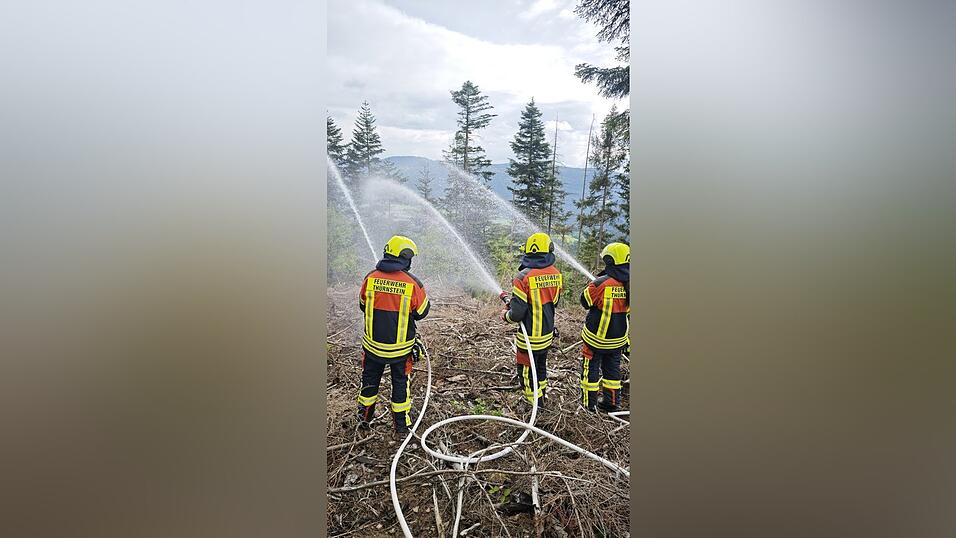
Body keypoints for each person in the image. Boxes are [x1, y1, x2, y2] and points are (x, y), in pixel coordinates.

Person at [356, 235, 429, 433]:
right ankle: (401, 426)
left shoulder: (370, 278)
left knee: (369, 382)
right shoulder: (413, 283)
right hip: (400, 351)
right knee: (400, 386)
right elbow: (422, 312)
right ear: (406, 257)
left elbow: (363, 305)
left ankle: (363, 420)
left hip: (372, 348)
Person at [501, 232, 563, 408]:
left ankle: (533, 406)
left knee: (527, 372)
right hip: (547, 333)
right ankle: (541, 398)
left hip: (529, 338)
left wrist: (506, 315)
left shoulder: (522, 278)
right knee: (541, 367)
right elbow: (554, 302)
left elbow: (517, 314)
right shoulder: (556, 274)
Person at [578, 242, 630, 412]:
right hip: (618, 341)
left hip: (596, 340)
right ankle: (612, 404)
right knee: (612, 372)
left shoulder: (601, 284)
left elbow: (584, 301)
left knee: (590, 372)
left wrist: (594, 283)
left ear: (610, 260)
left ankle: (589, 405)